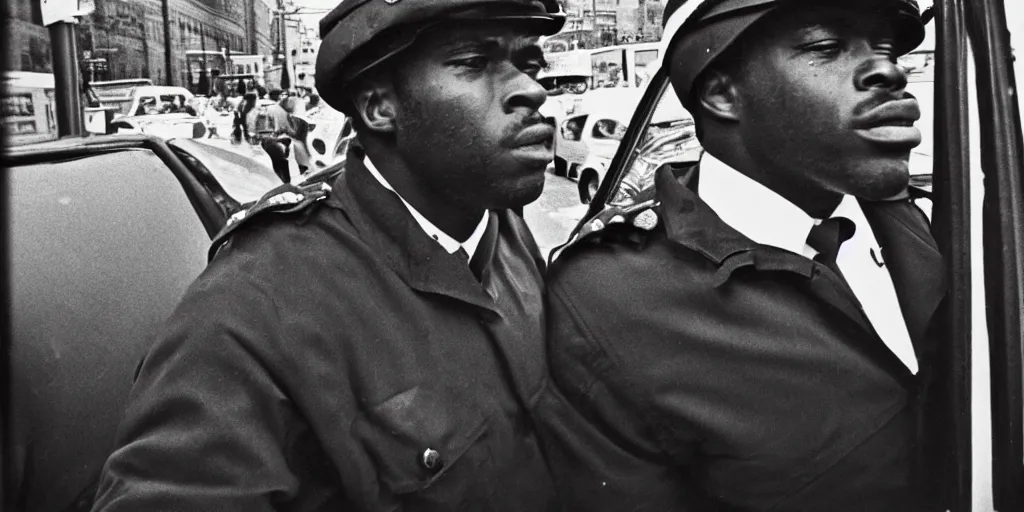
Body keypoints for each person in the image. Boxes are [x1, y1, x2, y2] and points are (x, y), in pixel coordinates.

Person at [90, 0, 566, 509]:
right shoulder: (255, 305)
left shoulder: (504, 226)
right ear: (380, 106)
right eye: (473, 62)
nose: (531, 89)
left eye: (530, 64)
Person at [536, 0, 949, 510]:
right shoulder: (611, 298)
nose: (888, 71)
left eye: (888, 51)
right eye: (826, 46)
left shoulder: (928, 219)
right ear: (721, 93)